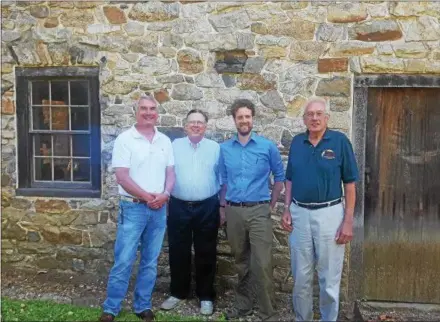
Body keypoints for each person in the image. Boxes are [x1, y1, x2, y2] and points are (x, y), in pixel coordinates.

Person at [281, 96, 359, 321]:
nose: (314, 118)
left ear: (327, 118)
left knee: (329, 279)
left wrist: (348, 220)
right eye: (310, 114)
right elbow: (290, 179)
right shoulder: (297, 142)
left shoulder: (339, 141)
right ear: (304, 119)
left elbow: (350, 183)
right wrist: (286, 208)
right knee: (301, 278)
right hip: (299, 214)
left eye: (318, 114)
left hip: (330, 214)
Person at [100, 96, 175, 322]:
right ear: (136, 111)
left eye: (152, 109)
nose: (149, 112)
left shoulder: (164, 141)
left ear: (157, 113)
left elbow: (171, 173)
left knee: (150, 261)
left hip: (159, 209)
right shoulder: (125, 139)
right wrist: (147, 197)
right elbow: (122, 177)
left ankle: (142, 305)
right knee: (124, 259)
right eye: (144, 108)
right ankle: (111, 308)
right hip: (133, 208)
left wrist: (166, 194)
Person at [219, 99, 285, 321]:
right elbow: (223, 181)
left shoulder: (267, 146)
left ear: (253, 118)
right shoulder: (225, 149)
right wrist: (222, 209)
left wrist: (271, 204)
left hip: (259, 211)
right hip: (234, 211)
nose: (244, 120)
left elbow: (280, 177)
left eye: (247, 116)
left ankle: (269, 313)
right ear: (234, 120)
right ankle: (243, 306)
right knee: (241, 262)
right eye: (240, 117)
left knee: (263, 263)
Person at [160, 109, 221, 316]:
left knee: (206, 252)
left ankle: (206, 296)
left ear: (206, 126)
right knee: (178, 250)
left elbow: (222, 178)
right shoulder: (173, 146)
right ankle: (178, 292)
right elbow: (165, 173)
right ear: (185, 125)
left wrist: (222, 206)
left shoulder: (215, 148)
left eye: (200, 122)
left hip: (207, 206)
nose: (196, 125)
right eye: (192, 122)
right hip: (178, 205)